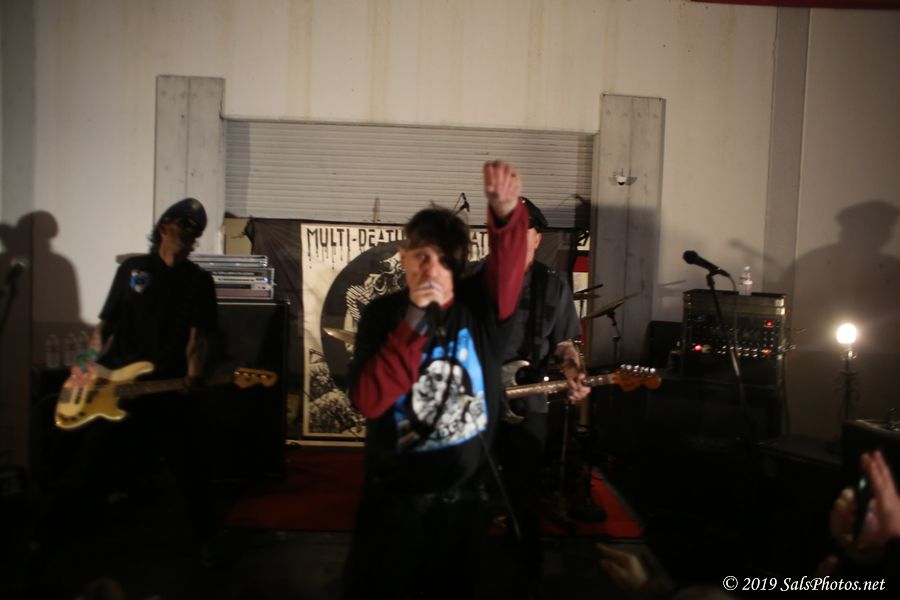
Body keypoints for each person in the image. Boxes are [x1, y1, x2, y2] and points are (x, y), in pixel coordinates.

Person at [341, 161, 528, 599]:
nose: (431, 269)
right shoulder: (383, 315)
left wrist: (506, 215)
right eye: (422, 256)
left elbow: (507, 269)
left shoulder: (479, 309)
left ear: (457, 268)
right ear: (403, 256)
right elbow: (369, 400)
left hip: (462, 506)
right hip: (394, 506)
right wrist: (413, 324)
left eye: (444, 260)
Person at [34, 198, 219, 556]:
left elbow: (197, 341)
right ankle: (44, 537)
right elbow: (105, 326)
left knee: (190, 468)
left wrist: (194, 378)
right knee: (86, 462)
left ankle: (207, 541)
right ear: (164, 226)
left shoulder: (199, 281)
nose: (189, 231)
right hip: (115, 385)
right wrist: (85, 364)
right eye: (183, 223)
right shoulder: (134, 270)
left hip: (165, 388)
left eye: (195, 228)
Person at [494, 197, 591, 595]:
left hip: (527, 401)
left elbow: (565, 344)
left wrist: (573, 371)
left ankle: (525, 572)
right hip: (474, 402)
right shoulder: (472, 281)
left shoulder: (553, 285)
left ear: (537, 238)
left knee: (523, 490)